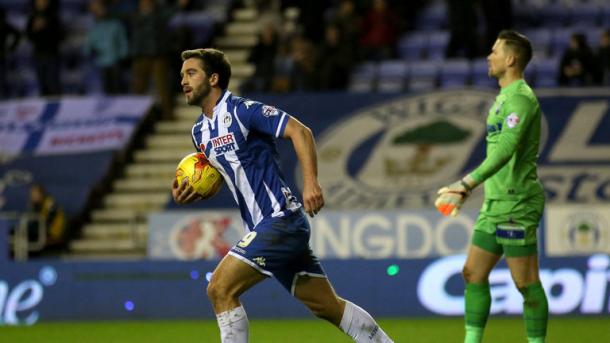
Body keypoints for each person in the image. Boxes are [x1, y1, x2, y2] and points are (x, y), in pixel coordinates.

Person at [172, 48, 393, 343]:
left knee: (219, 289)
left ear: (213, 79)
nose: (183, 81)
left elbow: (300, 132)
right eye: (182, 75)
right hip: (269, 229)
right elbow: (231, 174)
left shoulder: (242, 110)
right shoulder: (199, 132)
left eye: (191, 73)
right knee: (327, 306)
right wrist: (194, 191)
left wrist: (311, 183)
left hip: (280, 221)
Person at [434, 30, 548, 343]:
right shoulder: (502, 99)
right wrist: (474, 189)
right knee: (472, 273)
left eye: (495, 51)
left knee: (525, 284)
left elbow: (506, 150)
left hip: (518, 202)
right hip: (495, 203)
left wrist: (465, 183)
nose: (489, 56)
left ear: (510, 59)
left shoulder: (521, 99)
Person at [83, 0, 129, 95]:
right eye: (98, 10)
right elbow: (88, 43)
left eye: (101, 9)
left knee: (117, 86)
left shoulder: (116, 24)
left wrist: (123, 55)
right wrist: (88, 51)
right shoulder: (94, 27)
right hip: (101, 62)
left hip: (114, 60)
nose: (100, 12)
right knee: (105, 87)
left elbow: (122, 41)